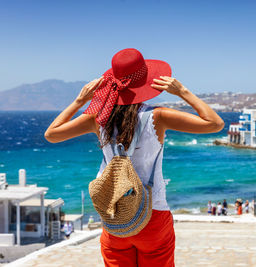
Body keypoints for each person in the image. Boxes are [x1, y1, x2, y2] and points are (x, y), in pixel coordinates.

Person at [44, 48, 224, 267]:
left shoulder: (97, 118)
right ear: (146, 83)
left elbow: (51, 134)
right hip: (153, 214)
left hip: (117, 216)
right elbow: (215, 123)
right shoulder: (158, 116)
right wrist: (183, 91)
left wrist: (80, 100)